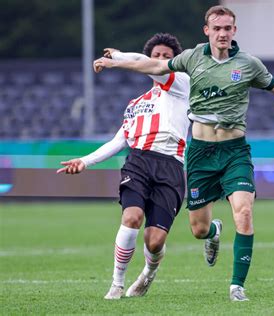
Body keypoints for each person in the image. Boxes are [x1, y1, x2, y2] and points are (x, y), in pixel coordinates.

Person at [93, 5, 274, 302]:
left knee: (245, 213)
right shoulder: (193, 58)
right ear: (206, 30)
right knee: (198, 229)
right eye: (217, 28)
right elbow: (154, 65)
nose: (222, 33)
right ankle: (213, 233)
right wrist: (116, 60)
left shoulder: (248, 64)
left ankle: (237, 287)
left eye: (227, 28)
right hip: (200, 153)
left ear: (234, 31)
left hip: (235, 151)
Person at [58, 33, 190, 300]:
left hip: (171, 167)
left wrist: (116, 59)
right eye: (157, 56)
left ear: (174, 61)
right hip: (138, 162)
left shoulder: (182, 84)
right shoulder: (135, 105)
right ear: (148, 59)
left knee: (154, 242)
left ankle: (148, 273)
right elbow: (118, 141)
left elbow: (143, 63)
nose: (161, 61)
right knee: (131, 218)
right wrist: (84, 161)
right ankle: (117, 283)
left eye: (167, 57)